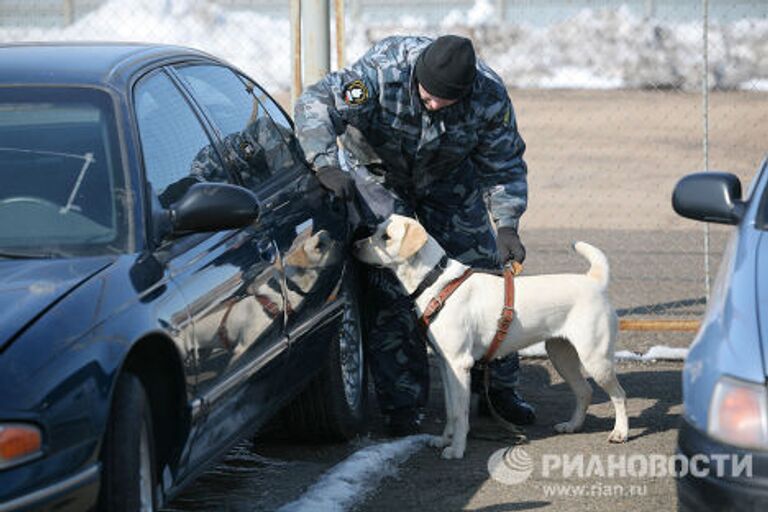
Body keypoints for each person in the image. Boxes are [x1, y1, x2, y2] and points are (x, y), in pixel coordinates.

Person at [294, 34, 535, 435]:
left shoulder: (488, 95)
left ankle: (497, 390)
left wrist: (506, 224)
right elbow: (316, 103)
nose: (436, 105)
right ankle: (403, 406)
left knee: (483, 278)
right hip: (380, 178)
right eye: (428, 96)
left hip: (449, 180)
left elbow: (504, 162)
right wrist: (324, 164)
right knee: (392, 286)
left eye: (447, 101)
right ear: (415, 77)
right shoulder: (379, 74)